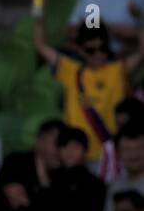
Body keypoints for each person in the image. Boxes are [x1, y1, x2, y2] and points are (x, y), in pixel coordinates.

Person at [35, 17, 141, 166]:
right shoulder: (70, 70)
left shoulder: (118, 70)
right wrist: (39, 6)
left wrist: (138, 17)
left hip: (110, 158)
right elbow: (40, 46)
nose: (98, 53)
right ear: (80, 49)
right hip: (77, 156)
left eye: (103, 48)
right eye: (91, 50)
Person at [100, 120, 144, 211]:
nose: (134, 154)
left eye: (139, 148)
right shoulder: (113, 187)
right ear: (118, 153)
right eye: (127, 149)